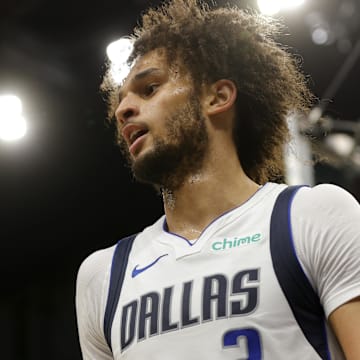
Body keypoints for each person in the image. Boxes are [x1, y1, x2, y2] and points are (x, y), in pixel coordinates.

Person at [75, 0, 360, 359]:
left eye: (149, 89)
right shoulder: (101, 276)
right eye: (120, 101)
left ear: (218, 96)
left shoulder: (313, 217)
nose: (122, 110)